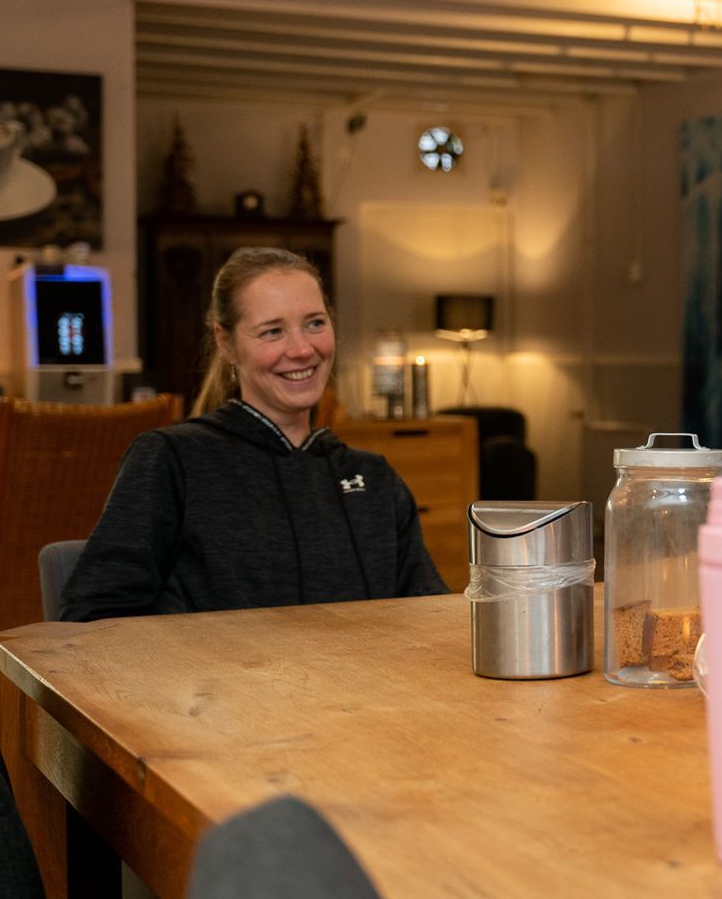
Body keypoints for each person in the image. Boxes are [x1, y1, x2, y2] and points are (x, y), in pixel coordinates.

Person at [61, 248, 447, 621]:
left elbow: (428, 617)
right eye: (272, 331)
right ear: (226, 343)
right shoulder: (172, 459)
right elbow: (94, 619)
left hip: (361, 687)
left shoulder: (375, 478)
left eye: (315, 323)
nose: (301, 349)